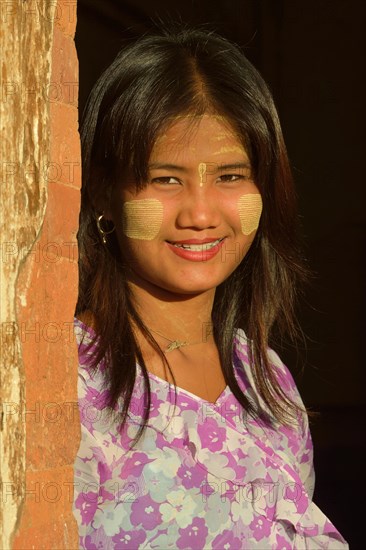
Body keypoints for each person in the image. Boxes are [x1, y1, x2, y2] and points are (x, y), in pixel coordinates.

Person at [72, 23, 348, 549]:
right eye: (165, 179)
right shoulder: (65, 382)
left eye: (229, 176)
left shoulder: (267, 380)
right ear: (106, 193)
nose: (200, 214)